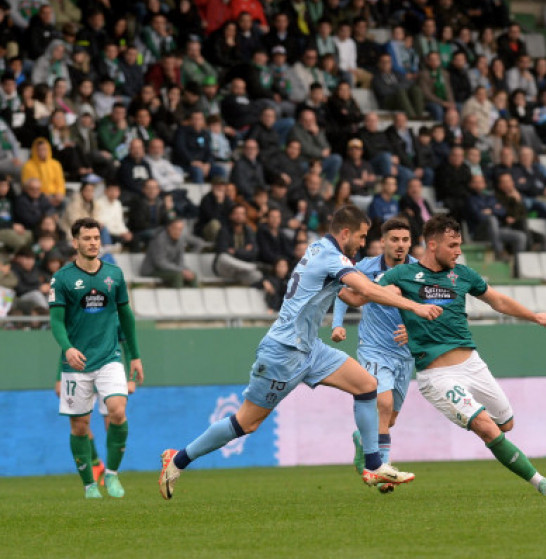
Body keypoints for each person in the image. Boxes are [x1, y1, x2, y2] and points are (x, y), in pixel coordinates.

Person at [158, 206, 443, 499]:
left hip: (311, 349)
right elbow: (365, 292)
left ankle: (373, 465)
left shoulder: (319, 249)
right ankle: (178, 459)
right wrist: (416, 306)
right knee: (247, 422)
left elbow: (353, 294)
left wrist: (381, 289)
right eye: (360, 236)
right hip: (284, 352)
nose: (362, 243)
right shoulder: (332, 257)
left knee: (367, 386)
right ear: (345, 233)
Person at [346, 215, 546, 495]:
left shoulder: (463, 275)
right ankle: (541, 483)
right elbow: (364, 296)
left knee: (505, 424)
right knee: (486, 427)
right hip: (437, 376)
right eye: (453, 245)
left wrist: (535, 316)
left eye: (459, 245)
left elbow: (497, 300)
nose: (458, 251)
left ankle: (366, 440)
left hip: (473, 366)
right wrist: (335, 283)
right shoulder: (401, 275)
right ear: (433, 245)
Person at [50, 217, 143, 499]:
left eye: (96, 238)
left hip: (109, 357)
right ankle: (90, 485)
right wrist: (67, 348)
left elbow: (126, 316)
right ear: (75, 242)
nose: (92, 243)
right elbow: (56, 321)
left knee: (117, 410)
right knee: (80, 425)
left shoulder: (114, 275)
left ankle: (112, 476)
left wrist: (135, 358)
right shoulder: (63, 278)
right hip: (76, 363)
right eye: (87, 238)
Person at [331, 218, 417, 493]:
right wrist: (337, 324)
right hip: (373, 348)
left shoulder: (419, 271)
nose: (400, 245)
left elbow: (433, 308)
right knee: (383, 401)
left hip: (405, 354)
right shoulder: (365, 268)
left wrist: (414, 329)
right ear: (383, 242)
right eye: (394, 239)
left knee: (389, 418)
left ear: (410, 242)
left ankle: (362, 438)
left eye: (405, 240)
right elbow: (342, 292)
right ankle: (383, 469)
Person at [140, 217, 204, 288]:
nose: (178, 232)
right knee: (178, 275)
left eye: (180, 229)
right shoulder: (159, 239)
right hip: (152, 270)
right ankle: (177, 298)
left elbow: (180, 261)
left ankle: (192, 298)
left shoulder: (181, 239)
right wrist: (181, 270)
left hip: (170, 269)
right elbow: (160, 262)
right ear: (169, 228)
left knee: (192, 275)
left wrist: (186, 270)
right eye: (176, 229)